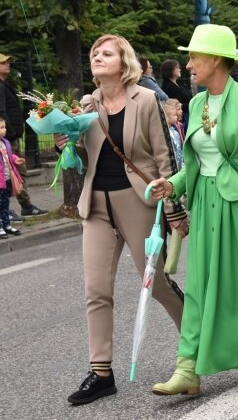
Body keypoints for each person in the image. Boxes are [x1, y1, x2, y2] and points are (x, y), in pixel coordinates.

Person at [150, 24, 238, 395]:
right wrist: (174, 185)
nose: (189, 63)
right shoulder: (196, 104)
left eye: (194, 56)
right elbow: (197, 162)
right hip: (206, 203)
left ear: (215, 59)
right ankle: (188, 368)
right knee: (198, 286)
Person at [54, 35, 186, 405]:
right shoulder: (86, 104)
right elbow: (84, 152)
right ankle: (100, 373)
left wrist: (175, 208)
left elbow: (165, 156)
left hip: (139, 200)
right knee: (96, 290)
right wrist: (69, 141)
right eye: (95, 53)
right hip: (96, 204)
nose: (98, 56)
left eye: (106, 53)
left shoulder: (145, 100)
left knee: (156, 283)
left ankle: (194, 348)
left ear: (123, 61)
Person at [0, 53, 47, 220]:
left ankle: (24, 206)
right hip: (7, 138)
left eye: (7, 61)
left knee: (16, 172)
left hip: (10, 136)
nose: (8, 64)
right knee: (9, 173)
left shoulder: (5, 85)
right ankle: (9, 209)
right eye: (3, 63)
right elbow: (2, 111)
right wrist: (9, 134)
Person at [0, 116, 23, 237]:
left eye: (4, 127)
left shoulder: (5, 143)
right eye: (1, 127)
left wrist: (16, 159)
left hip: (7, 179)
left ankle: (6, 225)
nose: (5, 130)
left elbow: (10, 156)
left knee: (5, 203)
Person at [161, 59, 192, 127]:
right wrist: (192, 104)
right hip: (181, 121)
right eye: (177, 67)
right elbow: (177, 106)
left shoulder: (177, 84)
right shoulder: (169, 87)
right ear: (170, 70)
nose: (180, 69)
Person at [163, 99, 184, 170]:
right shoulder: (168, 133)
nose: (176, 117)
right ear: (167, 117)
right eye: (174, 115)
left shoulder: (175, 130)